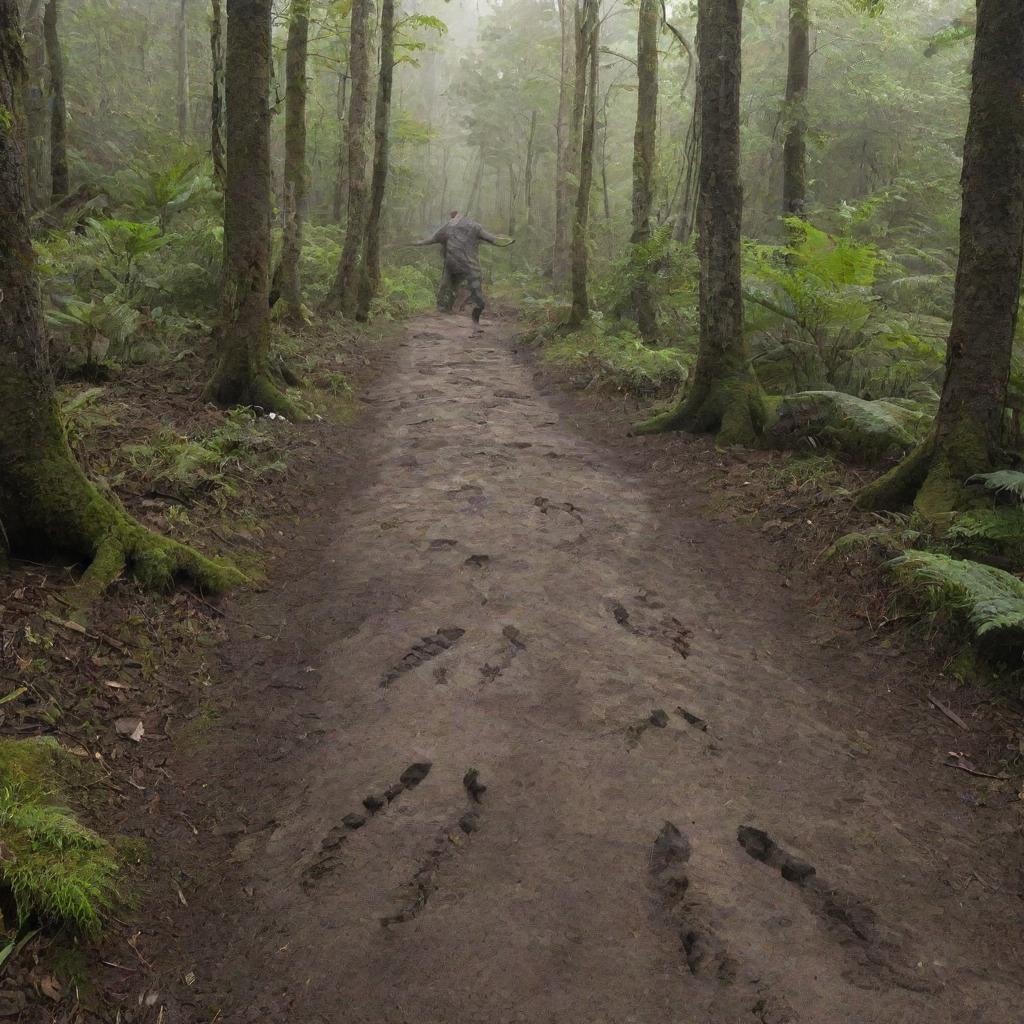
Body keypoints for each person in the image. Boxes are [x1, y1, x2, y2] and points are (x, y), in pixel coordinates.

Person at [411, 210, 513, 323]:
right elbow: (493, 239)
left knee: (450, 287)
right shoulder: (466, 226)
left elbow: (431, 239)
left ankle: (450, 309)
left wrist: (417, 242)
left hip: (459, 264)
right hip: (462, 265)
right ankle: (448, 310)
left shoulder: (455, 226)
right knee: (451, 287)